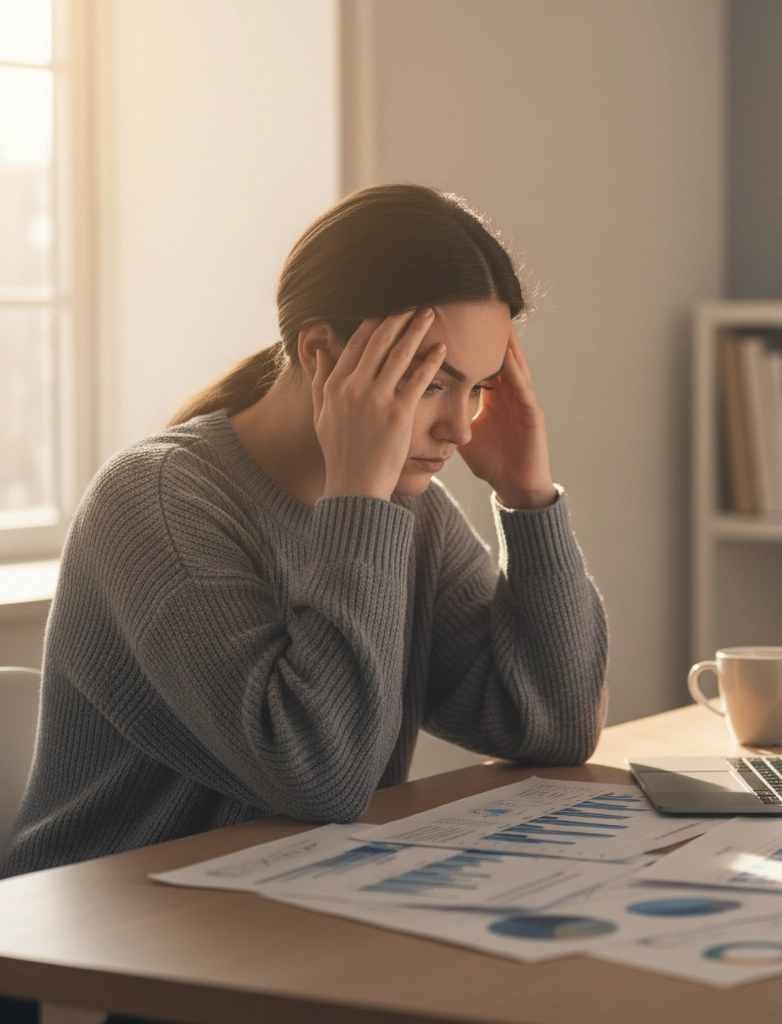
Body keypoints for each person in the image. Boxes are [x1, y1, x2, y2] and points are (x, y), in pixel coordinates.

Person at [0, 183, 608, 885]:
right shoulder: (157, 501)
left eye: (479, 387)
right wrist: (357, 499)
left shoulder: (409, 515)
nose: (461, 427)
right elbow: (322, 777)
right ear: (321, 352)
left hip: (286, 914)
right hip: (96, 959)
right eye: (434, 383)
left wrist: (528, 500)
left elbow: (553, 727)